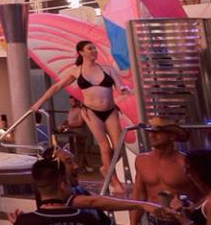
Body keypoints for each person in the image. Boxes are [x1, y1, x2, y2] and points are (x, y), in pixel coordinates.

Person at [24, 40, 132, 191]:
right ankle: (114, 181)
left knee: (119, 147)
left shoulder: (108, 69)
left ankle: (105, 168)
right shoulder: (76, 71)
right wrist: (39, 102)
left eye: (95, 48)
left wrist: (124, 89)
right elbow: (57, 86)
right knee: (105, 147)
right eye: (90, 49)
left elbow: (119, 87)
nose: (94, 51)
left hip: (110, 110)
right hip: (91, 111)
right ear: (81, 52)